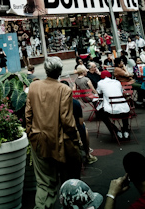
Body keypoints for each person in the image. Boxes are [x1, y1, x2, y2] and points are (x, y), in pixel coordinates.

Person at [26, 56, 81, 208]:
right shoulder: (64, 89)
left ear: (45, 69)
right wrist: (76, 139)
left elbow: (28, 114)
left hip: (39, 140)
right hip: (61, 141)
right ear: (60, 71)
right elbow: (67, 120)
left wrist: (31, 133)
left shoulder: (34, 86)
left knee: (44, 183)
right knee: (69, 180)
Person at [60, 81, 97, 165]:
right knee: (84, 129)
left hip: (60, 128)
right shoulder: (75, 102)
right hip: (74, 128)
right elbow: (81, 121)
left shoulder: (55, 102)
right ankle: (87, 154)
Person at [96, 70, 130, 140]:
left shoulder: (100, 83)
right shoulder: (117, 82)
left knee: (100, 113)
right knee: (123, 109)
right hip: (125, 109)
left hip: (111, 110)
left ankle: (115, 130)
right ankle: (126, 130)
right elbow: (121, 92)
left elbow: (99, 92)